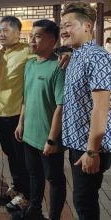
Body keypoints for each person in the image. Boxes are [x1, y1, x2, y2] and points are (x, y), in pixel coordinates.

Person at [61, 2, 111, 219]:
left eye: (68, 25)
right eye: (62, 25)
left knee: (84, 201)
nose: (63, 30)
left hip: (89, 146)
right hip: (78, 142)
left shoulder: (97, 57)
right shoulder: (77, 54)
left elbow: (101, 108)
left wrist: (92, 151)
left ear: (87, 26)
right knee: (82, 199)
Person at [12, 19, 66, 220]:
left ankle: (54, 217)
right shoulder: (30, 64)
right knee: (34, 175)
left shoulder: (59, 66)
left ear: (53, 40)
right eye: (31, 36)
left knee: (55, 180)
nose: (32, 40)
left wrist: (52, 140)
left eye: (38, 36)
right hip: (29, 134)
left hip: (48, 138)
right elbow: (26, 97)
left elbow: (61, 106)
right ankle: (35, 211)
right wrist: (20, 123)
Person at [0, 16, 31, 211]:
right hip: (0, 113)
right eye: (0, 30)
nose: (1, 33)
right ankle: (17, 189)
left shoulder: (27, 52)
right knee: (10, 154)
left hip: (17, 114)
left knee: (21, 157)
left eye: (6, 30)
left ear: (18, 33)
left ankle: (26, 196)